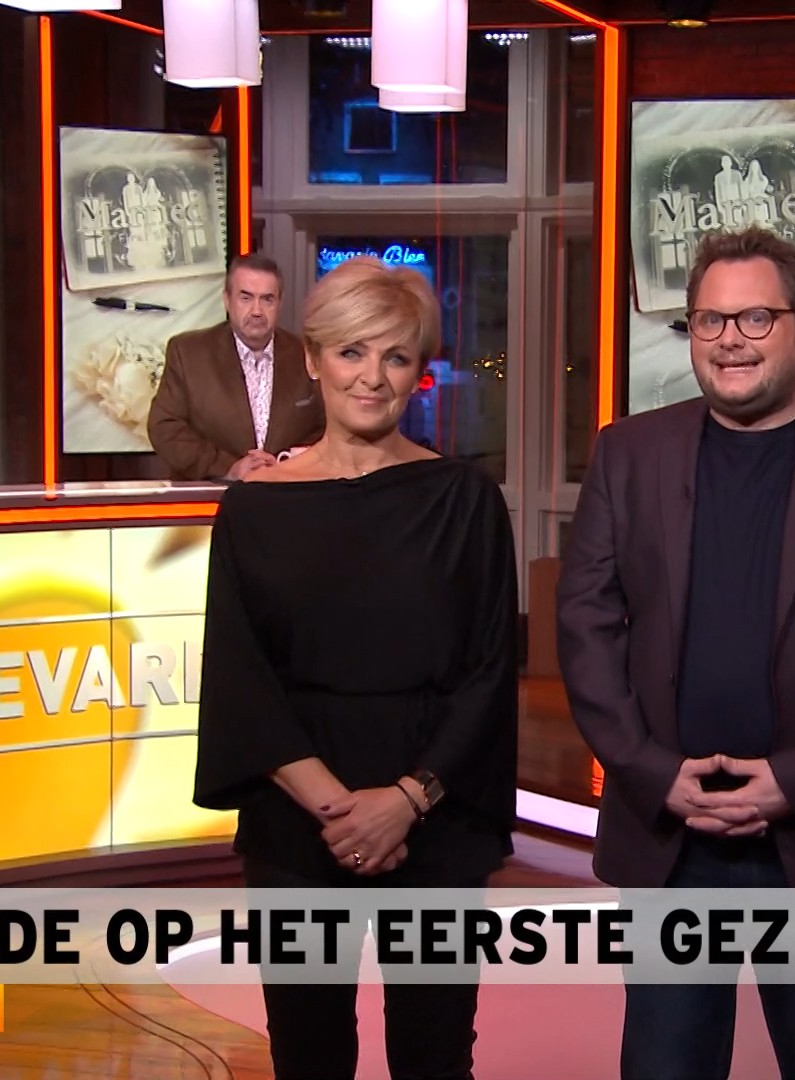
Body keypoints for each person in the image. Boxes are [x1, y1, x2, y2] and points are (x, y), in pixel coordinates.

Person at [557, 226, 795, 1080]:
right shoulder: (628, 453)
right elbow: (586, 626)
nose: (729, 339)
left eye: (755, 319)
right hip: (671, 838)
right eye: (709, 320)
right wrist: (651, 770)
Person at [191, 256, 518, 1080]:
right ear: (312, 358)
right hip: (297, 819)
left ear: (419, 370)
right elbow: (239, 679)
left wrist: (406, 801)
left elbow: (489, 673)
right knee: (309, 1054)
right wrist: (342, 812)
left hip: (436, 814)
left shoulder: (465, 500)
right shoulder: (254, 507)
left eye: (396, 356)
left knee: (434, 1058)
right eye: (351, 352)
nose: (372, 377)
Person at [149, 253, 325, 481]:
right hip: (214, 493)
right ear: (227, 300)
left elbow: (326, 428)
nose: (257, 311)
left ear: (279, 303)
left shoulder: (307, 354)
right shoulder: (188, 353)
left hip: (287, 491)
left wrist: (286, 463)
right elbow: (165, 427)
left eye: (267, 299)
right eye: (246, 298)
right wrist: (229, 468)